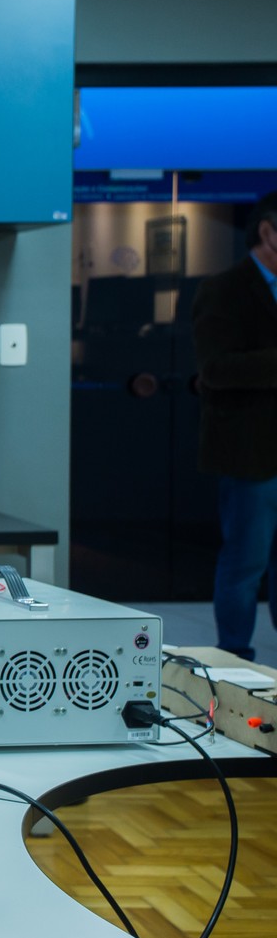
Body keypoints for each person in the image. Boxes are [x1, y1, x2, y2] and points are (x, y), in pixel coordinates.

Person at [191, 189, 277, 661]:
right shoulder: (223, 289)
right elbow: (215, 369)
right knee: (246, 561)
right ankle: (233, 658)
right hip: (251, 456)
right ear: (268, 232)